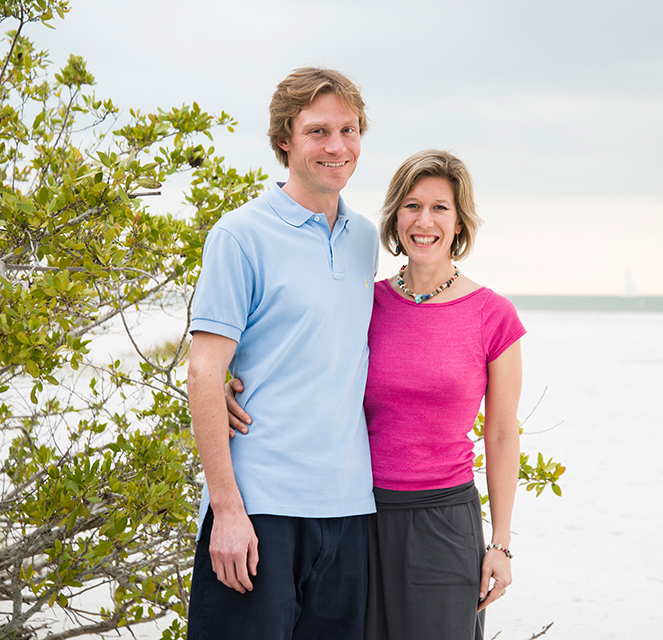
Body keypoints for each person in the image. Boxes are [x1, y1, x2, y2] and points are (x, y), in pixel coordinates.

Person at [226, 150, 525, 640]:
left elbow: (501, 433)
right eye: (411, 206)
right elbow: (303, 358)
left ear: (459, 220)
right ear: (395, 217)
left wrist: (503, 544)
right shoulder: (367, 301)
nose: (423, 221)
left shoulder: (493, 316)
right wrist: (228, 384)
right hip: (357, 516)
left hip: (444, 523)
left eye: (439, 208)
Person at [185, 67, 379, 640]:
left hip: (348, 509)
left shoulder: (366, 237)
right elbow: (202, 370)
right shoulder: (240, 234)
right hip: (259, 507)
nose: (337, 146)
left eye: (349, 130)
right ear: (284, 142)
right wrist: (226, 510)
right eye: (318, 131)